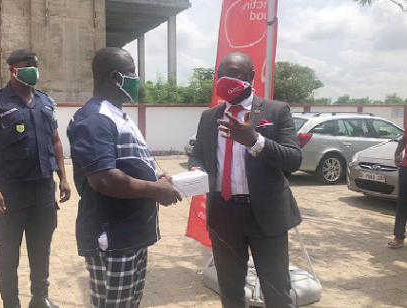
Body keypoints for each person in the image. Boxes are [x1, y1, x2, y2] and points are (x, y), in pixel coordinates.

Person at [67, 47, 182, 308]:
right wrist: (154, 189)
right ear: (115, 77)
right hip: (113, 237)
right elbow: (104, 178)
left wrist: (157, 177)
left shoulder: (118, 115)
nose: (137, 78)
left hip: (131, 234)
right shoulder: (94, 118)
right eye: (132, 73)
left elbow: (128, 164)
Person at [188, 51, 302, 308]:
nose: (227, 79)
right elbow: (198, 154)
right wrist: (195, 169)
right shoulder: (209, 117)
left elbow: (293, 159)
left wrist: (255, 140)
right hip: (224, 213)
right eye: (222, 75)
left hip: (266, 214)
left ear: (250, 77)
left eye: (235, 74)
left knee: (277, 291)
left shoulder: (276, 111)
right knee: (229, 291)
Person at [0, 49, 71, 308]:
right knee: (9, 251)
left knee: (41, 248)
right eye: (25, 65)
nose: (32, 69)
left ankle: (40, 298)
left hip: (43, 190)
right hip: (10, 191)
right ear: (12, 70)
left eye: (34, 65)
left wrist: (63, 177)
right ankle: (11, 303)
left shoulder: (45, 102)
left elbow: (56, 141)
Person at [388, 131, 407, 249]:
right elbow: (404, 139)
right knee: (402, 202)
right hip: (406, 167)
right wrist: (397, 153)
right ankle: (399, 237)